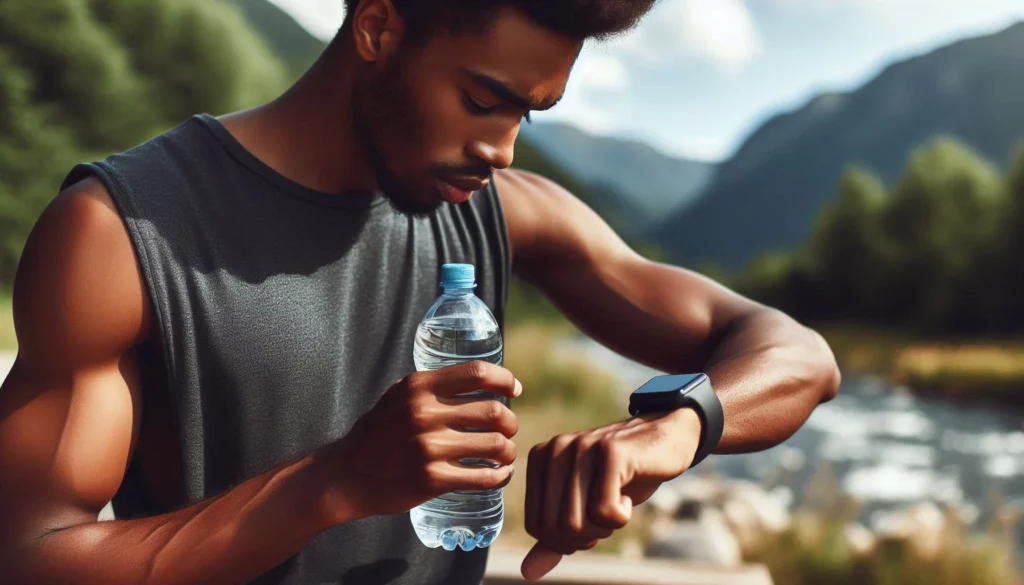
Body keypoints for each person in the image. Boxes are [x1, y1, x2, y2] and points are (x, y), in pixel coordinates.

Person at [0, 1, 841, 584]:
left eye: (529, 115)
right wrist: (331, 483)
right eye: (484, 100)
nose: (503, 149)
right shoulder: (118, 233)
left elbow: (799, 356)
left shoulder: (503, 212)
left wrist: (676, 428)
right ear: (378, 25)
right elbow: (27, 559)